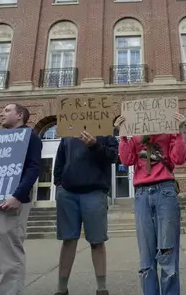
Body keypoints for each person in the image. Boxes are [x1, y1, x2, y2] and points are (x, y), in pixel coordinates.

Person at [116, 112, 186, 295]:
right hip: (141, 194)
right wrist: (123, 135)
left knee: (168, 252)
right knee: (146, 256)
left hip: (165, 190)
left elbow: (179, 158)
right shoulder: (135, 136)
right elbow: (126, 160)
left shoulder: (168, 132)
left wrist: (180, 131)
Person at [0, 103, 43, 295]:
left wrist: (18, 195)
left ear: (19, 115)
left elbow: (33, 168)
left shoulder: (30, 137)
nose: (1, 113)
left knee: (9, 259)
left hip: (11, 204)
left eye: (6, 111)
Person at [52, 125, 118, 295]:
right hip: (68, 193)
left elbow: (114, 156)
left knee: (97, 241)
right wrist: (58, 184)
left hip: (94, 192)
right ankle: (61, 289)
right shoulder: (69, 131)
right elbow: (60, 159)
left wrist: (95, 144)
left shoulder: (105, 130)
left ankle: (102, 288)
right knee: (68, 240)